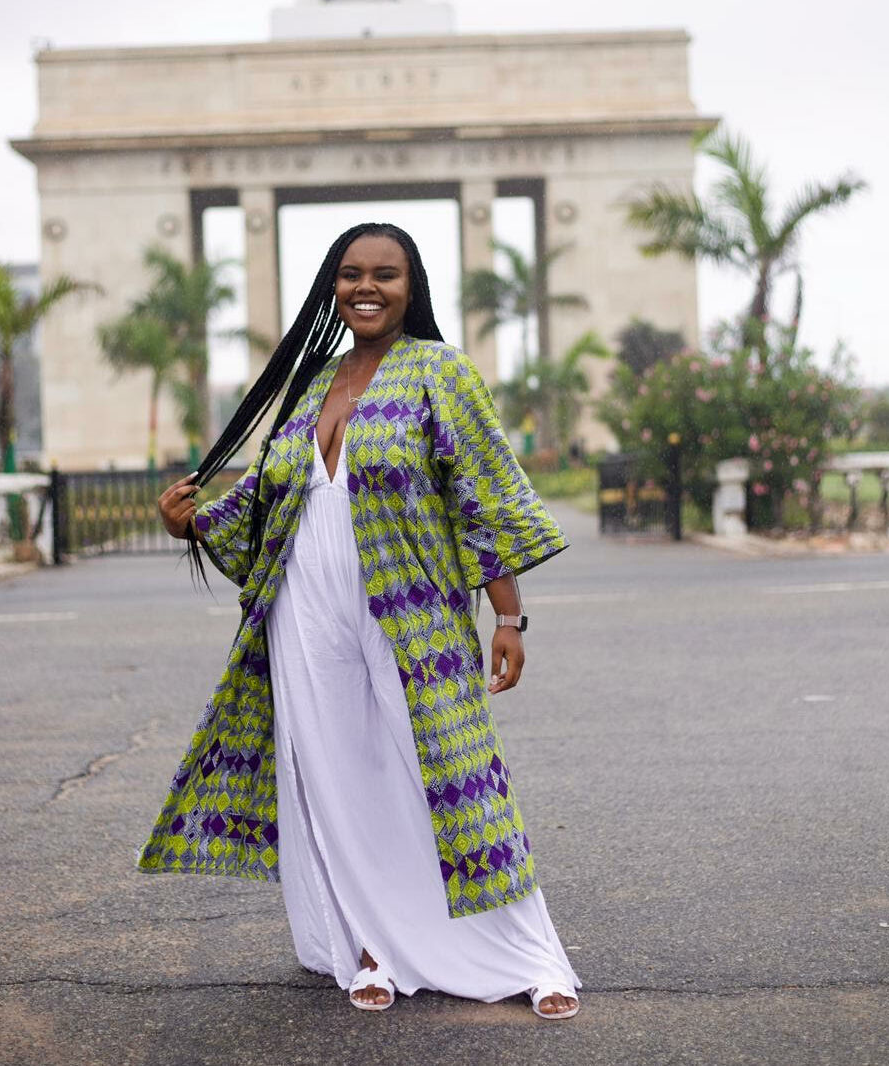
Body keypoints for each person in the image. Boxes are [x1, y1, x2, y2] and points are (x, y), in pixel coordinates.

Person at [137, 222, 580, 1019]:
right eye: (350, 274)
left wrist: (510, 616)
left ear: (412, 288)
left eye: (385, 274)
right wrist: (190, 523)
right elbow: (274, 496)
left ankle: (529, 954)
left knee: (453, 774)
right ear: (331, 287)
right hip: (306, 610)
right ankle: (371, 947)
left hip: (415, 609)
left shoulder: (440, 372)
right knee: (340, 781)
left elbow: (483, 497)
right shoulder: (314, 384)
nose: (365, 287)